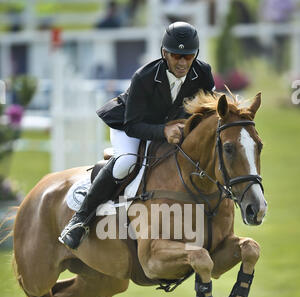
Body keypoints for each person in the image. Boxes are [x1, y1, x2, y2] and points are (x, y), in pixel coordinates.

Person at [59, 21, 215, 250]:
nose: (182, 63)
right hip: (130, 124)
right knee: (126, 162)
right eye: (175, 56)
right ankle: (79, 220)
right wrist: (164, 130)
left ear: (195, 55)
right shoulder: (144, 77)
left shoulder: (202, 73)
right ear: (164, 53)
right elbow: (133, 125)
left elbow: (205, 110)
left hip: (171, 128)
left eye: (188, 57)